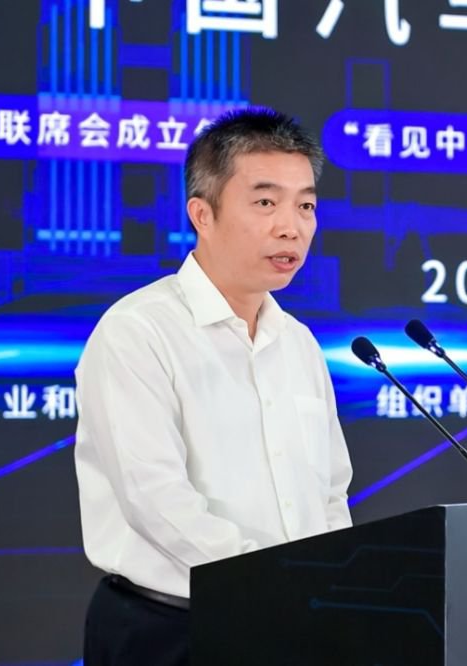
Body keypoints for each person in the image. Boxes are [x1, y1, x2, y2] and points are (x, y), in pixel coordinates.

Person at [74, 107, 353, 666]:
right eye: (266, 203)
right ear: (202, 214)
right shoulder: (138, 332)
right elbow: (156, 500)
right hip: (171, 631)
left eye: (305, 206)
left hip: (292, 617)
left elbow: (330, 493)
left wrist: (331, 589)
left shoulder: (298, 343)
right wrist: (275, 584)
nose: (291, 227)